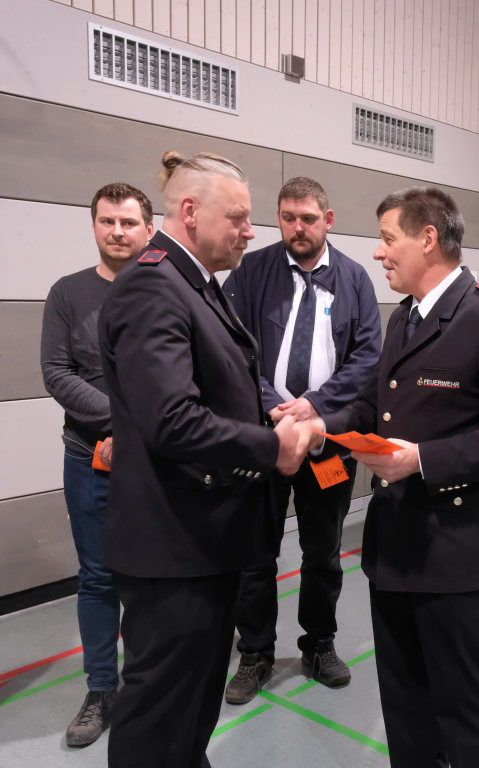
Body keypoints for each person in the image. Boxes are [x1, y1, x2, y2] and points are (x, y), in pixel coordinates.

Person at [98, 151, 317, 768]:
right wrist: (272, 446)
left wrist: (263, 421)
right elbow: (171, 419)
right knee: (160, 715)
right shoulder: (153, 286)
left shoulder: (191, 283)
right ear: (190, 212)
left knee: (191, 709)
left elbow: (211, 393)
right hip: (172, 547)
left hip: (202, 541)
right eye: (239, 218)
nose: (251, 231)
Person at [320, 186, 479, 767]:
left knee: (463, 706)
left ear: (428, 239)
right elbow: (376, 407)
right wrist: (320, 424)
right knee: (403, 701)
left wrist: (422, 459)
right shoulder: (404, 318)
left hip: (457, 552)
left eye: (387, 238)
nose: (378, 252)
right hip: (395, 545)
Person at [221, 177, 380, 702]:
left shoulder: (355, 280)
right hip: (262, 438)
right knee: (255, 553)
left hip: (326, 442)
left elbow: (367, 358)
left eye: (308, 218)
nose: (297, 228)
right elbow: (231, 346)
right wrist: (273, 404)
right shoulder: (251, 272)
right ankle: (255, 653)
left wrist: (315, 406)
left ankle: (319, 644)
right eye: (288, 217)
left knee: (323, 553)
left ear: (328, 220)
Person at [40, 182, 154, 747]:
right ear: (94, 227)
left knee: (151, 575)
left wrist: (138, 432)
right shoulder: (68, 293)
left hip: (154, 463)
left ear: (148, 229)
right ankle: (101, 689)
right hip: (89, 459)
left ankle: (146, 684)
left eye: (128, 222)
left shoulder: (166, 292)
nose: (117, 231)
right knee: (97, 577)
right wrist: (120, 422)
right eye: (107, 221)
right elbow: (57, 373)